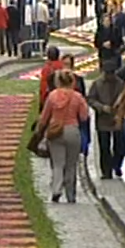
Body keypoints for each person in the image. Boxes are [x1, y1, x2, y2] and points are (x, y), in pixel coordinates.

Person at [37, 70, 89, 203]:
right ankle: (71, 194)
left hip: (55, 131)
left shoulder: (52, 96)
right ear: (72, 82)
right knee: (71, 165)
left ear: (58, 81)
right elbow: (84, 116)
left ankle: (56, 190)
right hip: (72, 130)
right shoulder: (77, 97)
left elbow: (44, 116)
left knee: (58, 163)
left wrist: (40, 130)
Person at [87, 60, 125, 179]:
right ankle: (106, 171)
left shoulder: (120, 84)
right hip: (102, 120)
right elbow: (91, 99)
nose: (109, 75)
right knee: (104, 147)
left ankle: (116, 164)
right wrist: (101, 107)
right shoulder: (97, 84)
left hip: (117, 119)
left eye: (111, 73)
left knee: (120, 146)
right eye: (107, 73)